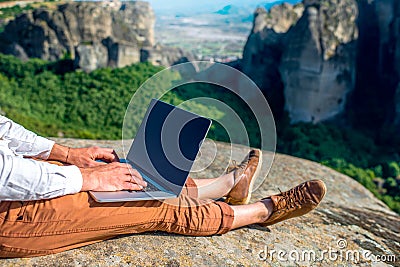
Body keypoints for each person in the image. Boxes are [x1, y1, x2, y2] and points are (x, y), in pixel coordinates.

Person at [0, 115, 326, 258]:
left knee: (139, 180)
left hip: (15, 180)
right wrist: (89, 178)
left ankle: (230, 183)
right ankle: (262, 211)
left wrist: (67, 155)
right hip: (7, 214)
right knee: (148, 205)